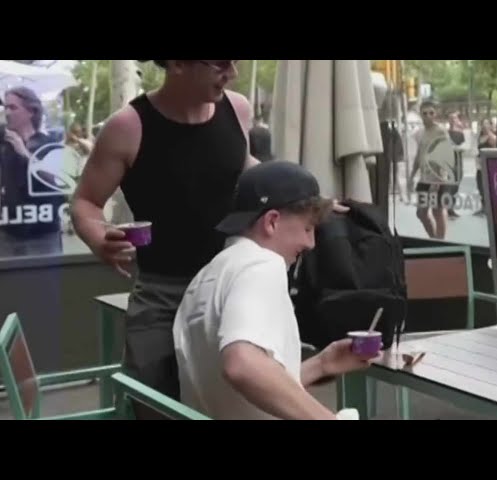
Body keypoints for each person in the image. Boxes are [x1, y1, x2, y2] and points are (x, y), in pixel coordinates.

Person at [71, 60, 346, 418]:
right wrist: (97, 235)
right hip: (162, 295)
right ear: (178, 64)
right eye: (220, 63)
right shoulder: (128, 126)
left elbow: (243, 168)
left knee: (243, 395)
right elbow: (85, 201)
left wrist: (305, 207)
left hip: (227, 282)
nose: (232, 73)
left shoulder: (237, 109)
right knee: (154, 405)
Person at [173, 161, 376, 420]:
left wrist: (322, 364)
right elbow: (243, 365)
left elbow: (236, 393)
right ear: (272, 222)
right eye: (307, 227)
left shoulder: (207, 276)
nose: (311, 243)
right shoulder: (262, 264)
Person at [0, 86, 64, 256]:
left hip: (44, 233)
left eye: (12, 107)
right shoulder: (4, 146)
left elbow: (57, 180)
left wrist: (24, 153)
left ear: (31, 111)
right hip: (9, 233)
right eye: (5, 107)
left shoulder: (49, 142)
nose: (7, 112)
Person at [410, 100, 450, 239]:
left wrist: (439, 179)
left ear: (435, 114)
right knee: (421, 213)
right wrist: (411, 176)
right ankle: (433, 238)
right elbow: (418, 155)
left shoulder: (440, 131)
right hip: (424, 178)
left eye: (431, 113)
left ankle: (441, 242)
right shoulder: (419, 133)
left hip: (438, 177)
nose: (428, 116)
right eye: (424, 113)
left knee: (437, 211)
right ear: (420, 115)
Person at [474, 118, 497, 215]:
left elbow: (494, 150)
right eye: (482, 124)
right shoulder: (480, 136)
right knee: (480, 185)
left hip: (487, 164)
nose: (484, 126)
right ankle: (483, 207)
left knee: (486, 185)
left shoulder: (492, 137)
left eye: (486, 124)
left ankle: (489, 208)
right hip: (479, 164)